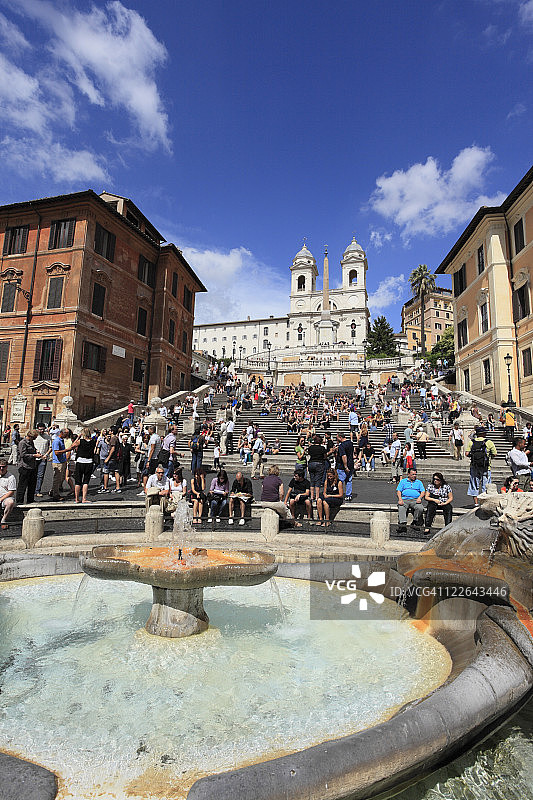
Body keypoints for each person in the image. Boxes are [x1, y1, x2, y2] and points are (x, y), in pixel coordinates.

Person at [465, 427, 497, 504]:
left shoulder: (471, 442)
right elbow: (495, 453)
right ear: (484, 434)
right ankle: (483, 502)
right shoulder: (489, 442)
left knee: (474, 484)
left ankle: (476, 503)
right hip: (485, 466)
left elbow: (466, 453)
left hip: (474, 466)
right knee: (486, 485)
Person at [71, 428, 97, 503]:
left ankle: (77, 499)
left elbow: (72, 446)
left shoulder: (80, 441)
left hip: (80, 461)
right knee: (86, 481)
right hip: (89, 461)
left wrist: (78, 437)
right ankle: (84, 498)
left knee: (78, 481)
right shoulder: (93, 441)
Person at [396, 468, 425, 533]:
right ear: (408, 474)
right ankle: (402, 525)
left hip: (415, 500)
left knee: (420, 508)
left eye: (415, 474)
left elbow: (423, 491)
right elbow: (399, 491)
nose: (414, 476)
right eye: (412, 474)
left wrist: (420, 498)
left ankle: (415, 521)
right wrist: (400, 499)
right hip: (405, 499)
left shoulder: (419, 482)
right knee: (401, 507)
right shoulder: (403, 481)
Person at [307, 434, 328, 504]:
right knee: (318, 480)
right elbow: (325, 457)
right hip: (319, 463)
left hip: (311, 463)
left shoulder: (311, 447)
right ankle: (317, 496)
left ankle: (312, 496)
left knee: (312, 480)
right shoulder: (322, 448)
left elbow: (309, 454)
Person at [335, 432, 354, 501]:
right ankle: (348, 495)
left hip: (342, 466)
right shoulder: (350, 443)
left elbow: (344, 456)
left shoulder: (342, 446)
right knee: (349, 480)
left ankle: (339, 494)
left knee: (340, 480)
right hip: (350, 464)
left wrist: (345, 466)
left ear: (340, 437)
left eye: (337, 438)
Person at [34, 423, 51, 497]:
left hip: (43, 458)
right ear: (37, 429)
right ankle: (31, 490)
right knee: (33, 475)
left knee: (40, 475)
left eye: (43, 429)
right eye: (40, 429)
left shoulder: (48, 437)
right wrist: (36, 451)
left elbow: (50, 447)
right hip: (34, 458)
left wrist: (46, 454)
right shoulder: (34, 436)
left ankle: (37, 491)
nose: (41, 431)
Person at [0, 459, 16, 529]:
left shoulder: (11, 477)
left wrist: (1, 499)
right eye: (0, 467)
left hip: (5, 498)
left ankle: (3, 520)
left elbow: (11, 492)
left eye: (3, 467)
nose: (1, 468)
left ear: (6, 467)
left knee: (10, 502)